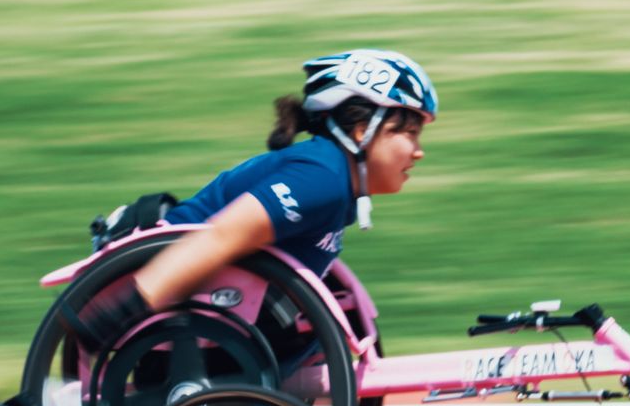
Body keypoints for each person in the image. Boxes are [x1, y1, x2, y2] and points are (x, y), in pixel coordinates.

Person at [67, 48, 437, 351]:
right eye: (406, 133)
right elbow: (223, 235)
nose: (418, 152)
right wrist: (123, 311)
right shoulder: (322, 178)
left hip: (223, 301)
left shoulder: (337, 183)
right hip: (167, 283)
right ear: (361, 131)